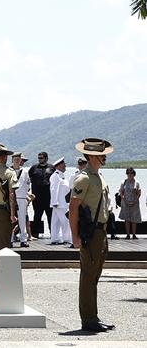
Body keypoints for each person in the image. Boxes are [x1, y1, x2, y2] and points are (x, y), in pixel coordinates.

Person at [69, 137, 115, 333]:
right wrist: (75, 236)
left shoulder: (98, 176)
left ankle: (93, 316)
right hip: (90, 232)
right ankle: (88, 319)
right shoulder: (84, 178)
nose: (104, 157)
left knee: (94, 275)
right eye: (101, 154)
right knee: (88, 275)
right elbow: (73, 208)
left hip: (101, 231)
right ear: (92, 156)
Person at [29, 151, 55, 237]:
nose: (40, 159)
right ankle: (35, 234)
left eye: (41, 158)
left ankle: (53, 234)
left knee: (50, 216)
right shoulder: (33, 168)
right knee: (37, 215)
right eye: (39, 158)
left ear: (46, 158)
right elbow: (28, 180)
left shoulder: (52, 168)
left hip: (49, 197)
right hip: (37, 197)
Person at [50, 157, 72, 246]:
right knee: (65, 221)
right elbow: (54, 190)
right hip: (59, 203)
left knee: (55, 221)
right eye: (64, 164)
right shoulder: (55, 176)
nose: (65, 166)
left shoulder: (60, 176)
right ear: (59, 165)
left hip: (62, 202)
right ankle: (66, 238)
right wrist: (54, 202)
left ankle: (55, 238)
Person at [11, 152, 31, 247]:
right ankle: (10, 239)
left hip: (22, 197)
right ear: (12, 160)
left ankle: (23, 240)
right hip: (11, 198)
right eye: (15, 160)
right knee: (11, 219)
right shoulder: (9, 171)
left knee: (22, 219)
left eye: (18, 160)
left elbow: (27, 185)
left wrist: (25, 195)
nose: (17, 161)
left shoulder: (25, 171)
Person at [119, 167, 142, 239]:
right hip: (125, 203)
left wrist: (134, 201)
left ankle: (134, 234)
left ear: (134, 174)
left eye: (131, 173)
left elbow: (139, 193)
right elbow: (121, 192)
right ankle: (128, 234)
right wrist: (125, 201)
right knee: (127, 219)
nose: (130, 174)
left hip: (135, 203)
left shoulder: (137, 182)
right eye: (128, 173)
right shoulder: (123, 182)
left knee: (134, 219)